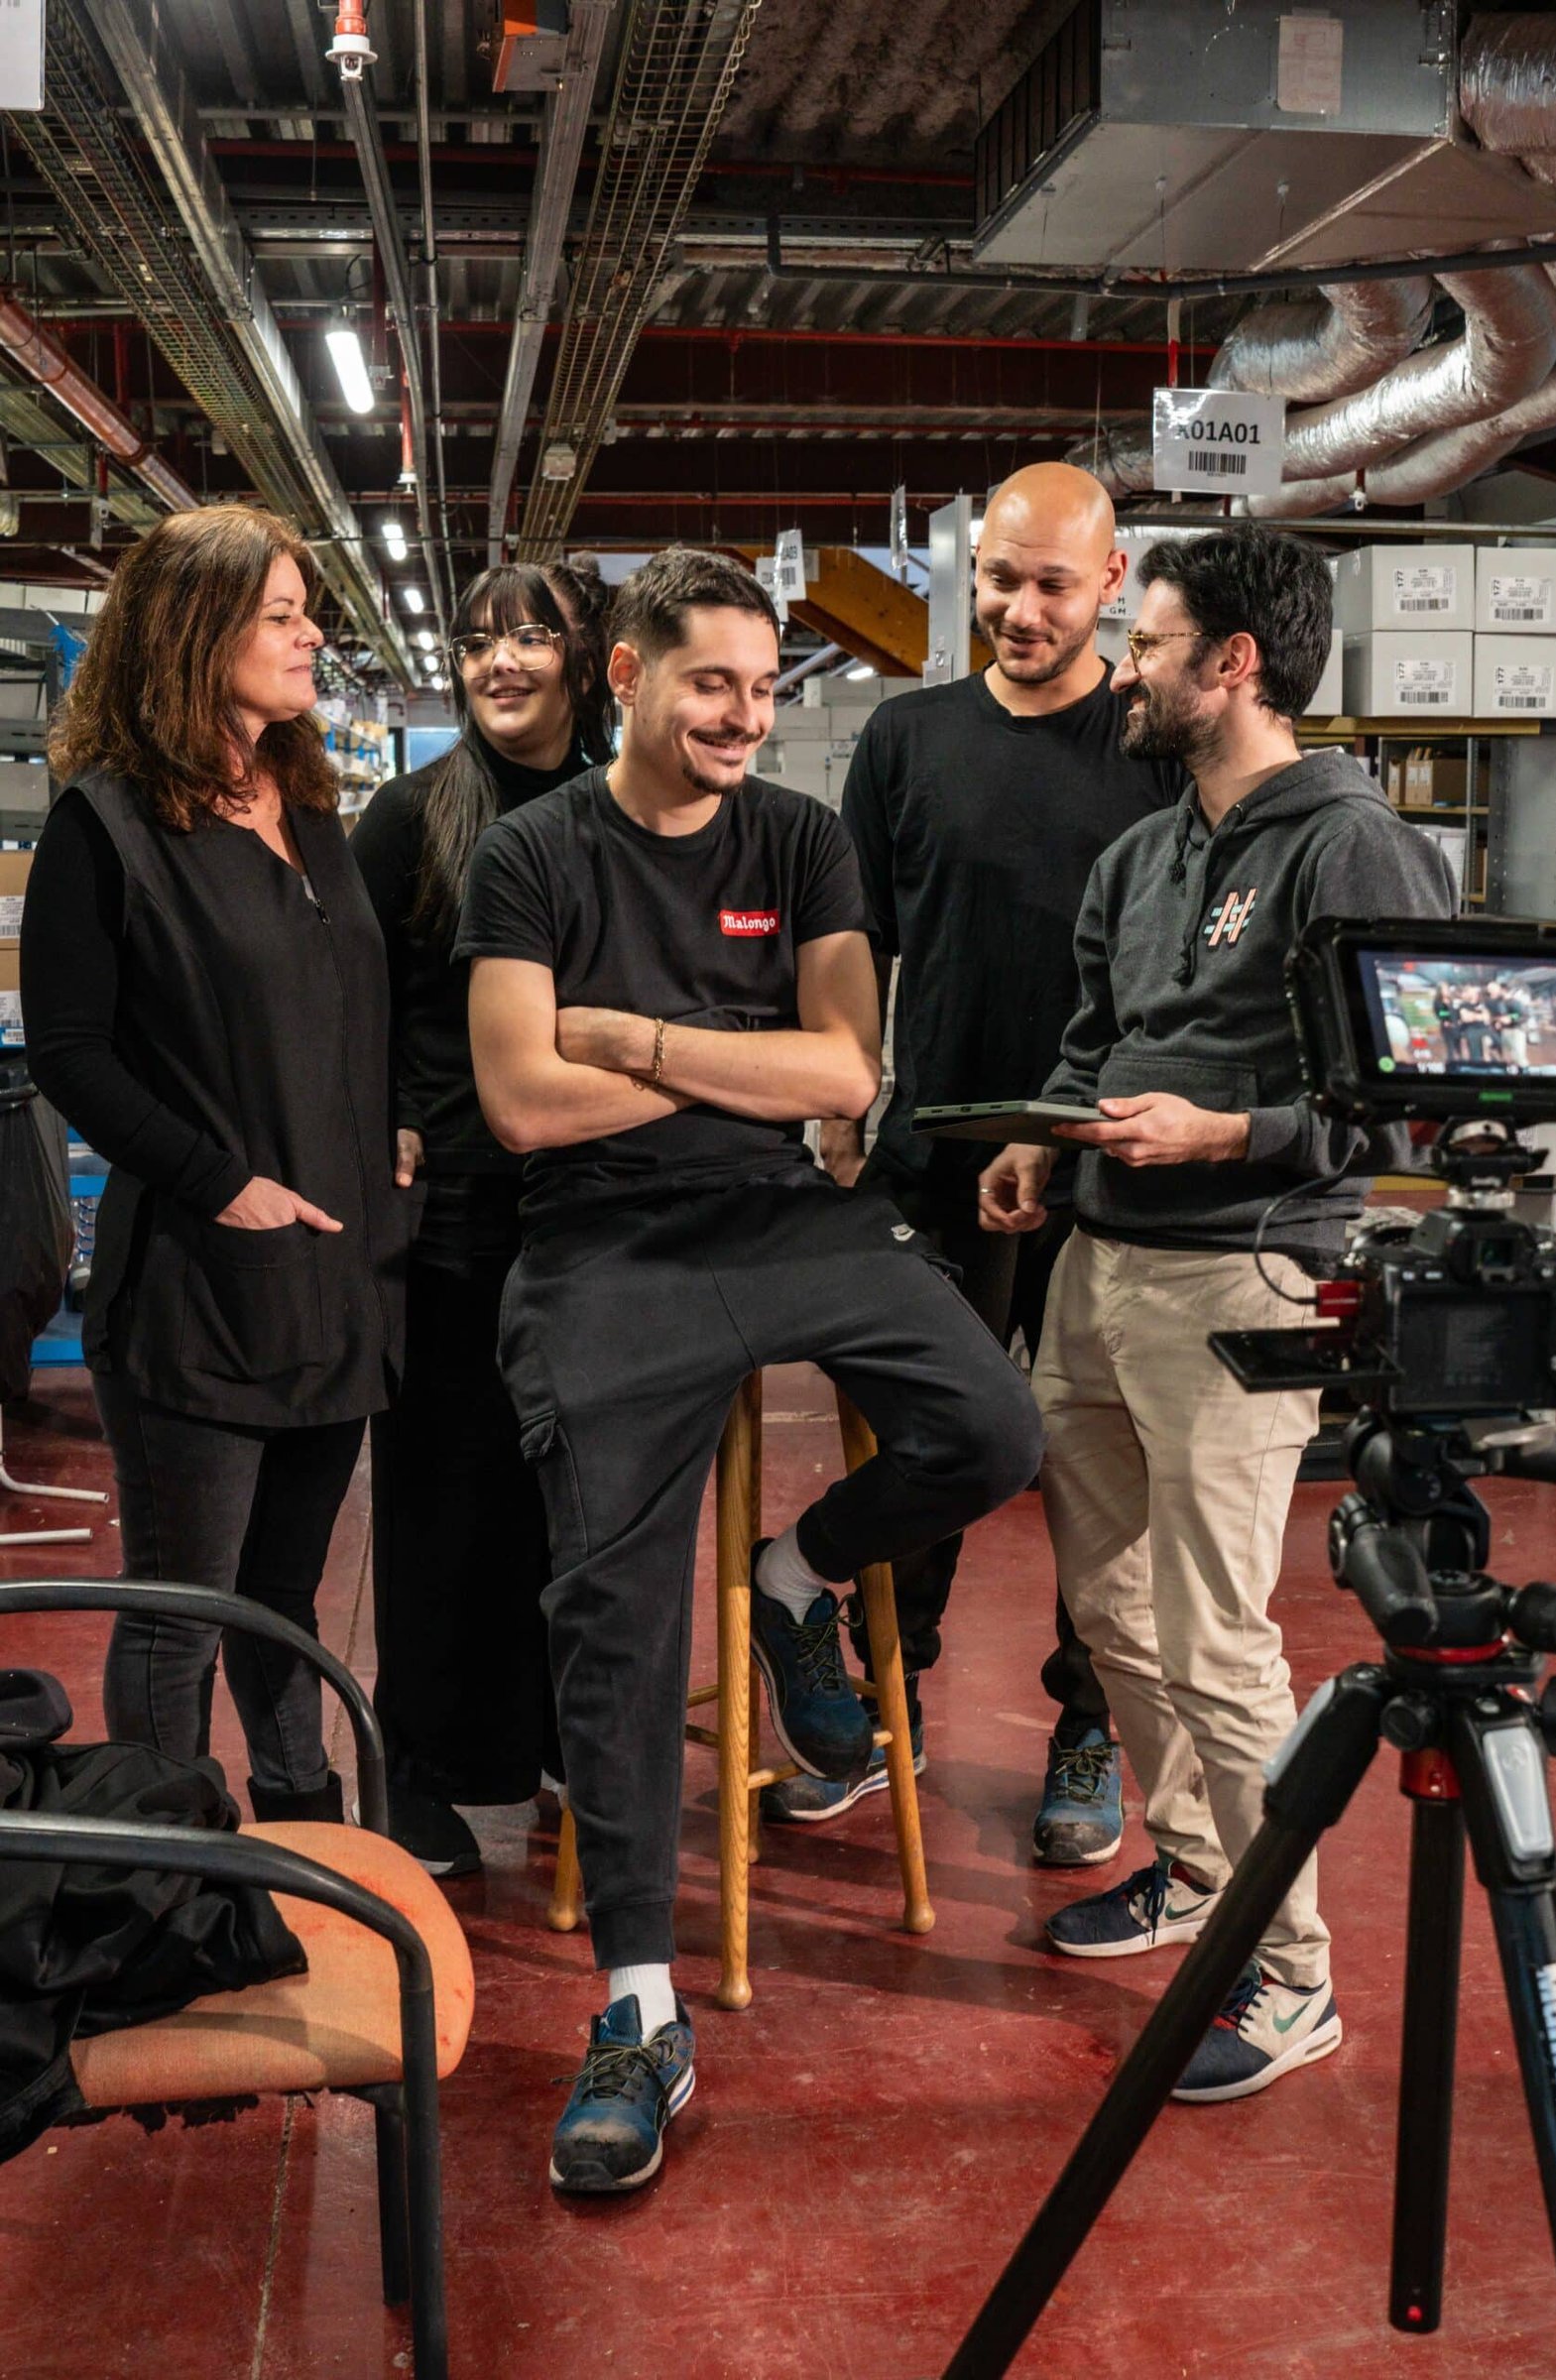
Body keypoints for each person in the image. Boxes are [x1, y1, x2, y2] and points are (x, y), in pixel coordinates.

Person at [458, 546, 1042, 2194]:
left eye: (763, 688)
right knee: (616, 1608)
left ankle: (799, 1578)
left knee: (992, 1428)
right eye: (711, 682)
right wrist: (744, 1065)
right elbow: (522, 1104)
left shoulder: (800, 839)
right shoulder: (531, 855)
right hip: (602, 1244)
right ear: (629, 676)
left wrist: (636, 1039)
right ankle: (640, 2009)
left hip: (789, 1219)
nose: (743, 716)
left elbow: (847, 1072)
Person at [980, 528, 1453, 2101]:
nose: (1125, 669)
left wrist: (1222, 1134)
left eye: (1151, 642)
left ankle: (1293, 1973)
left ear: (1233, 665)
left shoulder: (1354, 848)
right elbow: (1093, 1036)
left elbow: (1395, 1109)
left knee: (1215, 1638)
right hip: (1100, 1265)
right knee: (1111, 1609)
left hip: (1242, 1272)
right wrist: (1042, 1140)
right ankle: (1196, 1870)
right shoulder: (1145, 852)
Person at [794, 460, 1181, 1861]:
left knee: (1102, 1468)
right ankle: (882, 1700)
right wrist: (842, 1102)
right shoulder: (907, 737)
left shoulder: (1156, 748)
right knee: (929, 1444)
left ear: (1113, 581)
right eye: (1000, 581)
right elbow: (855, 944)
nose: (1020, 610)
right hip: (933, 1156)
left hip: (1107, 1168)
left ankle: (1087, 1724)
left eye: (1052, 586)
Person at [20, 506, 413, 1821]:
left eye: (308, 613)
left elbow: (352, 1003)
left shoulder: (312, 809)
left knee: (284, 1595)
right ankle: (165, 1858)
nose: (311, 638)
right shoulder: (108, 824)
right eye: (281, 615)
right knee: (180, 1610)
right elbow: (71, 1052)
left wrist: (396, 1131)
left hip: (338, 1277)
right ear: (196, 634)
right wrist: (220, 1182)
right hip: (200, 1286)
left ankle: (304, 1825)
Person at [351, 558, 612, 1876]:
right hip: (453, 1208)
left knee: (573, 1508)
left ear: (584, 658)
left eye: (529, 637)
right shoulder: (412, 815)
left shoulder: (620, 807)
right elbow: (351, 995)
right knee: (443, 1500)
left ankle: (565, 1749)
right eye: (477, 641)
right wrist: (385, 1112)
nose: (500, 661)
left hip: (596, 1207)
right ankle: (424, 1771)